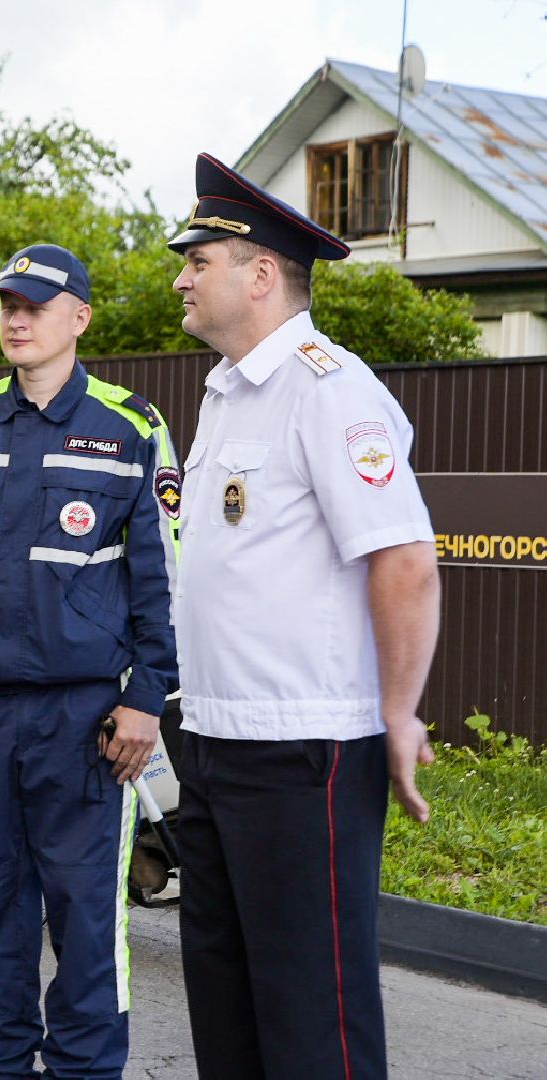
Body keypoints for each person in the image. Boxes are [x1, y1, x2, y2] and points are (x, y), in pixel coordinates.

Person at [165, 152, 440, 1080]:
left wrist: (398, 715)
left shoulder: (332, 389)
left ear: (262, 272)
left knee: (311, 1020)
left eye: (198, 259)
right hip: (212, 742)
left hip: (302, 753)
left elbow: (402, 559)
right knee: (229, 1011)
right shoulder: (227, 394)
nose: (181, 277)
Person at [0, 244, 180, 1080]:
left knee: (86, 922)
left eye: (36, 305)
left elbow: (165, 578)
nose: (16, 318)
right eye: (7, 304)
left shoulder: (131, 427)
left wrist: (148, 696)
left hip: (87, 725)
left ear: (79, 318)